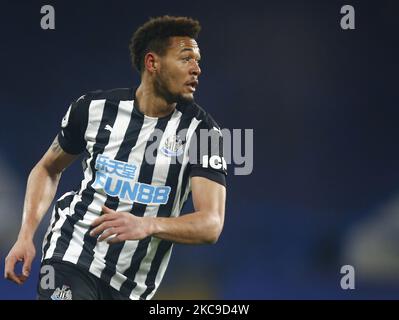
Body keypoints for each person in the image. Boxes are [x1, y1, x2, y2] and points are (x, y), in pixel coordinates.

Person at [4, 15, 227, 300]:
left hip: (132, 287)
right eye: (186, 59)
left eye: (198, 61)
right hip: (72, 256)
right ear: (152, 63)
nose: (196, 69)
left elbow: (211, 224)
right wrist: (25, 236)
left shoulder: (204, 134)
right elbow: (48, 169)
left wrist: (147, 224)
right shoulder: (93, 109)